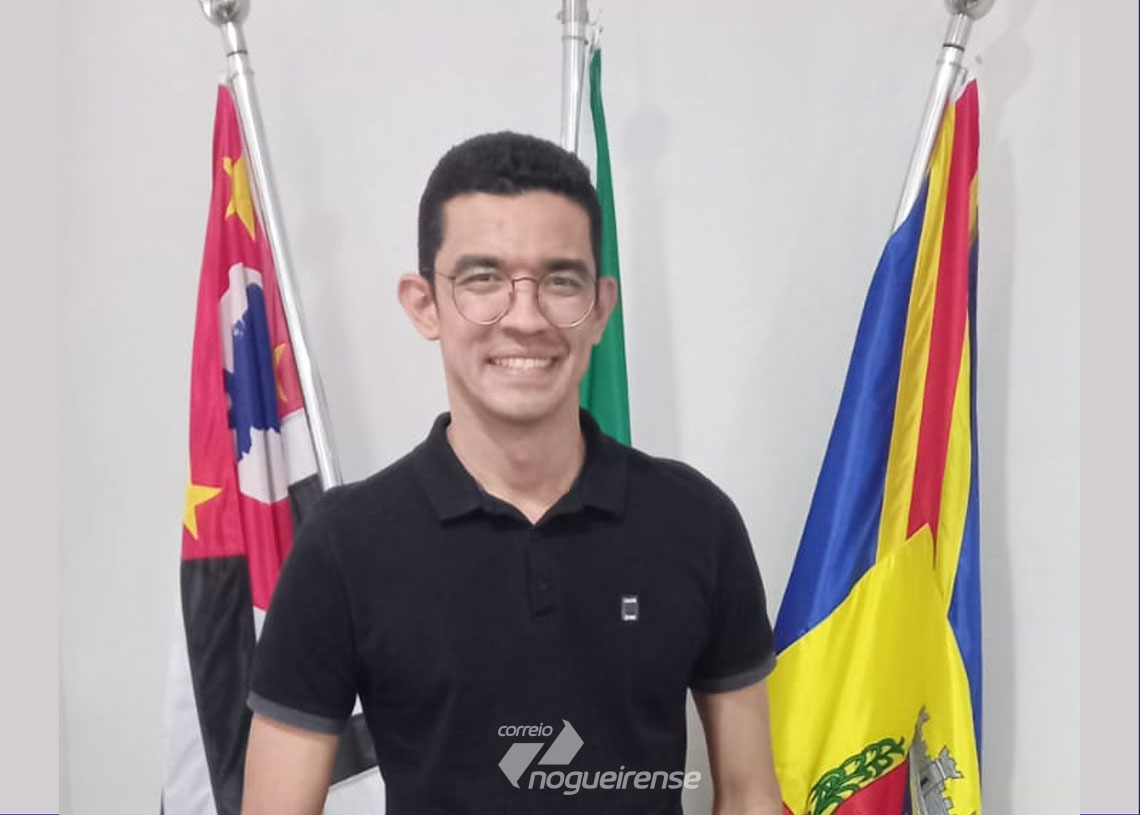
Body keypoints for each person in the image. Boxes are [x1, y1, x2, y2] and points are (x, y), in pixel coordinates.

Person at [242, 132, 783, 814]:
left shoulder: (698, 523)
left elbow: (750, 795)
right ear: (424, 304)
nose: (525, 319)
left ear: (601, 307)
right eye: (483, 279)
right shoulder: (344, 544)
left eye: (561, 280)